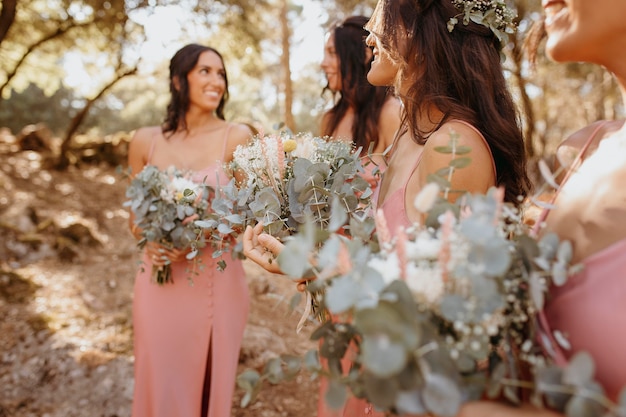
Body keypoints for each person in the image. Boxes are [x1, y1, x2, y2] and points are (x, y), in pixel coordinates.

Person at [244, 0, 531, 415]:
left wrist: (326, 270)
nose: (369, 34)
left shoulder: (453, 147)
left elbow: (439, 319)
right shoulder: (405, 139)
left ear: (418, 34)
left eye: (382, 13)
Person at [127, 43, 252, 417]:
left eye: (221, 73)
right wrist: (153, 242)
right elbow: (134, 219)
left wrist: (197, 238)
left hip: (215, 281)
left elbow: (248, 218)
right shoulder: (144, 140)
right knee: (160, 381)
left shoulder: (237, 137)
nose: (217, 81)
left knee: (207, 389)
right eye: (205, 71)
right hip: (158, 282)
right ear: (179, 81)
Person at [319, 15, 402, 188]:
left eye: (332, 53)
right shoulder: (329, 119)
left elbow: (404, 185)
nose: (323, 63)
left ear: (364, 54)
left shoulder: (390, 113)